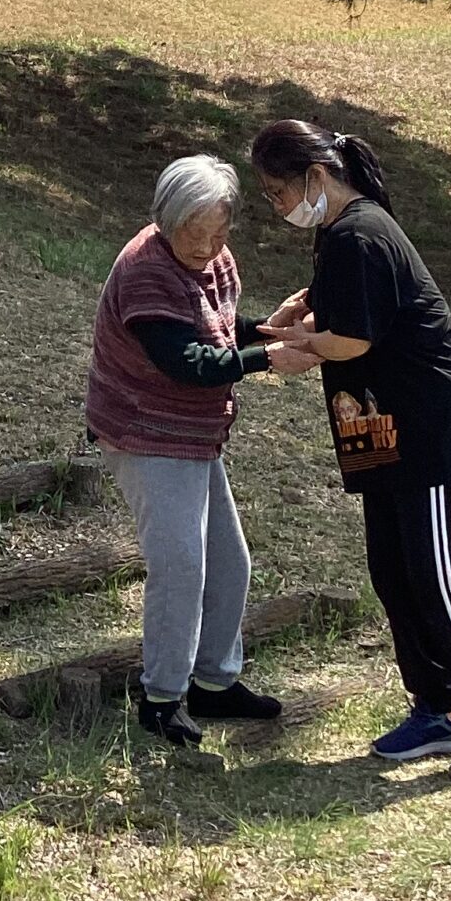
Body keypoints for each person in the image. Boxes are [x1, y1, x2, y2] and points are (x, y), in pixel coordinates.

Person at [252, 119, 451, 781]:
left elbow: (352, 340)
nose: (277, 205)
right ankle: (434, 708)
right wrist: (294, 321)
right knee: (394, 573)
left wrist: (297, 350)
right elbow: (343, 314)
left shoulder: (361, 232)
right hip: (381, 433)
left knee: (438, 577)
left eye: (278, 191)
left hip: (427, 432)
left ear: (316, 176)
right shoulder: (338, 236)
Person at [84, 153, 302, 748]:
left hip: (194, 435)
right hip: (145, 433)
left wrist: (268, 328)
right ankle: (161, 699)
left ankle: (213, 683)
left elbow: (216, 331)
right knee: (181, 566)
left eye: (219, 234)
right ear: (164, 220)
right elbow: (186, 361)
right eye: (194, 235)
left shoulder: (215, 262)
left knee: (230, 564)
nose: (207, 248)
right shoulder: (145, 271)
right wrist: (267, 358)